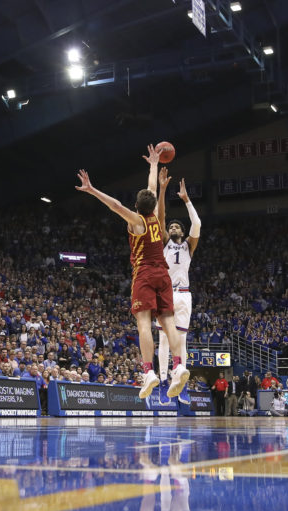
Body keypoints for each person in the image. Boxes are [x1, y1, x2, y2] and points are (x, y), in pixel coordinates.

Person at [75, 146, 183, 400]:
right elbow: (152, 187)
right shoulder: (155, 217)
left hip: (144, 273)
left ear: (136, 206)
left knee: (144, 323)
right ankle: (178, 366)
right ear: (153, 204)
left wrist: (92, 190)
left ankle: (149, 371)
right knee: (168, 322)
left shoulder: (137, 221)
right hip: (163, 274)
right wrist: (153, 164)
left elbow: (115, 205)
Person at [157, 169, 201, 403]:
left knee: (181, 340)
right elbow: (161, 218)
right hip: (165, 293)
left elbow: (197, 223)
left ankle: (179, 381)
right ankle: (163, 382)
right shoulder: (165, 242)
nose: (173, 228)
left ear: (182, 233)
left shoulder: (188, 246)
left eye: (177, 227)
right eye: (171, 227)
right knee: (164, 340)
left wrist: (187, 200)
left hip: (184, 295)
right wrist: (163, 190)